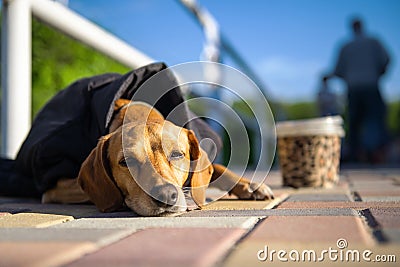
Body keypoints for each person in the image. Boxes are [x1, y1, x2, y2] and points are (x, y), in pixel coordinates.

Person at [324, 17, 390, 163]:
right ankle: (372, 151)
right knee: (373, 119)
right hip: (371, 85)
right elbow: (387, 59)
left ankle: (357, 154)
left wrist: (347, 77)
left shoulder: (346, 47)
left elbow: (338, 70)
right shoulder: (374, 42)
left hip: (354, 88)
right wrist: (378, 74)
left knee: (355, 122)